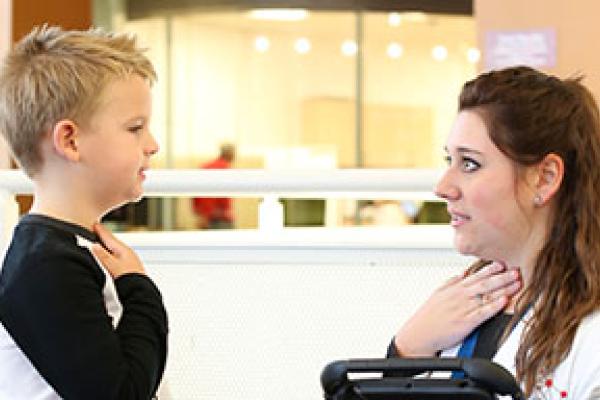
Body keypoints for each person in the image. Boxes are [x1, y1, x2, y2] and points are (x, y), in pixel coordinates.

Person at [387, 66, 600, 399]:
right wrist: (404, 352)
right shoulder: (453, 313)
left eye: (469, 164)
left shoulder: (591, 336)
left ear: (544, 178)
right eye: (449, 161)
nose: (443, 187)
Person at [0, 26, 168, 399]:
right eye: (135, 129)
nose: (152, 145)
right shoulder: (44, 265)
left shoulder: (66, 251)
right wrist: (139, 291)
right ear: (70, 141)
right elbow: (120, 393)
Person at [192, 143, 235, 229]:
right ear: (230, 153)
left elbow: (196, 194)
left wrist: (201, 215)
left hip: (209, 217)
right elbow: (209, 196)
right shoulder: (224, 168)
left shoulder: (205, 167)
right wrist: (207, 216)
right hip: (218, 219)